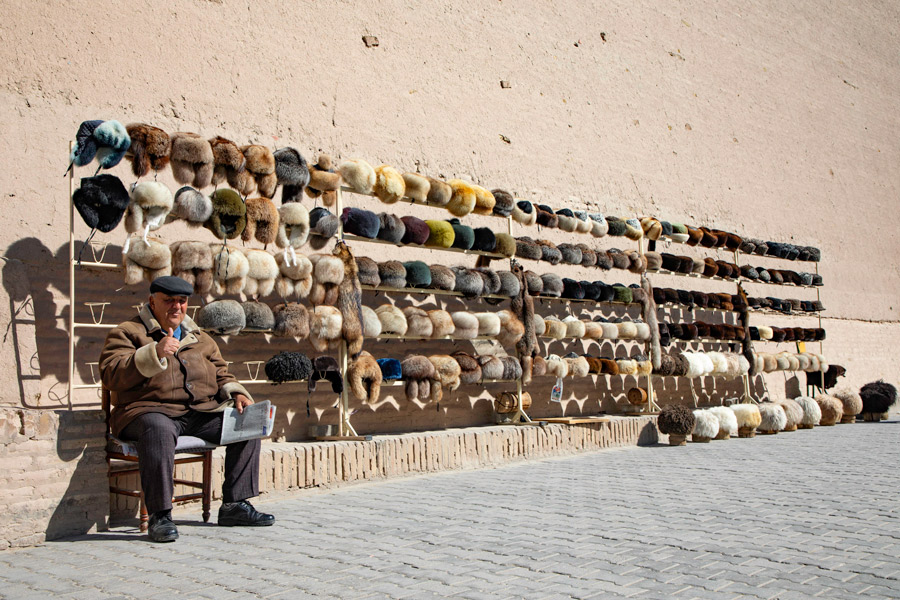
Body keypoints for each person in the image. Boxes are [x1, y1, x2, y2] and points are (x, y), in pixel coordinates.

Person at [100, 275, 274, 542]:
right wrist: (154, 353)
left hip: (199, 412)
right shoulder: (128, 331)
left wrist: (236, 392)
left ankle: (235, 505)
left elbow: (221, 372)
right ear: (152, 302)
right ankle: (160, 516)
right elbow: (110, 374)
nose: (176, 306)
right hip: (146, 410)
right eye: (168, 300)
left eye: (181, 301)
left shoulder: (201, 337)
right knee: (158, 428)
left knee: (248, 423)